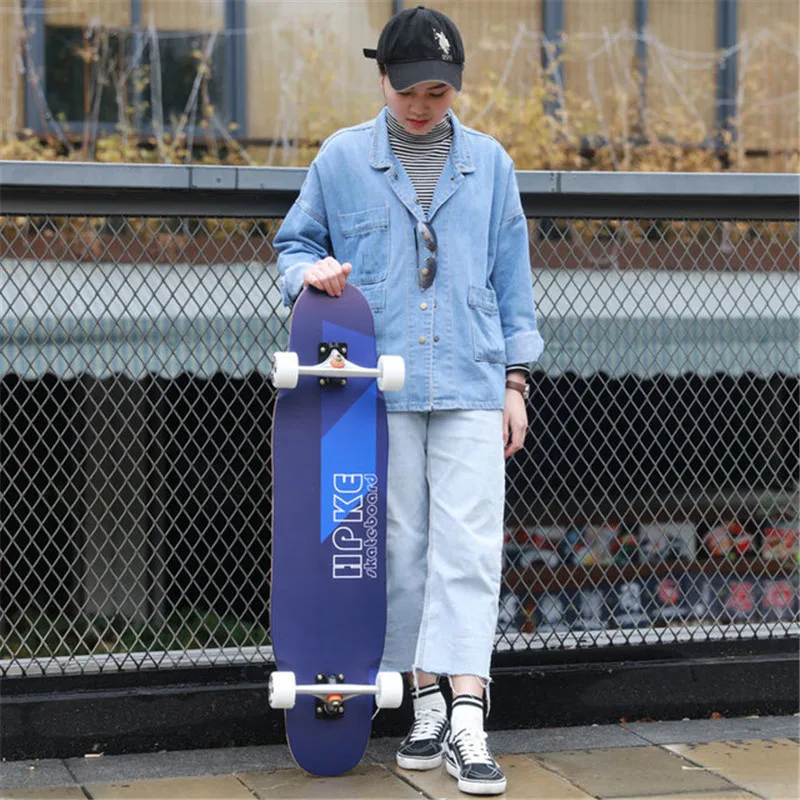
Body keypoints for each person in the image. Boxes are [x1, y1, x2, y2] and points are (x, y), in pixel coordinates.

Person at [274, 6, 544, 795]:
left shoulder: (489, 164)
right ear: (382, 78)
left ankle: (469, 719)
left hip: (471, 379)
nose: (424, 106)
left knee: (471, 547)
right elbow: (294, 244)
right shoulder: (341, 158)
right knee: (395, 548)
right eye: (409, 91)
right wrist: (310, 274)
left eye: (439, 92)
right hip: (373, 388)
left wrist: (516, 383)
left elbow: (513, 280)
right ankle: (422, 703)